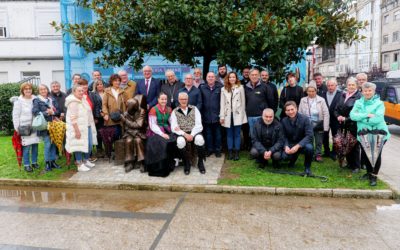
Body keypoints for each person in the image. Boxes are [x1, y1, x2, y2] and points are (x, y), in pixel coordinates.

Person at [350, 82, 390, 186]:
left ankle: (374, 176)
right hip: (363, 133)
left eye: (369, 91)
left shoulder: (379, 103)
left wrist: (362, 118)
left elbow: (378, 118)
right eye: (365, 91)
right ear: (362, 92)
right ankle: (368, 173)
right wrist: (367, 115)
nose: (367, 93)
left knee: (376, 154)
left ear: (373, 91)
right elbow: (353, 116)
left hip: (379, 132)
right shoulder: (358, 102)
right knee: (366, 153)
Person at [171, 92, 206, 175]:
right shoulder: (174, 111)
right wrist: (184, 134)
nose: (184, 101)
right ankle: (187, 162)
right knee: (180, 142)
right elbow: (174, 127)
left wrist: (192, 134)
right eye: (182, 99)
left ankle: (200, 162)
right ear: (179, 100)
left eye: (185, 99)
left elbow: (199, 125)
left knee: (200, 139)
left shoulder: (194, 109)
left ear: (188, 99)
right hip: (183, 133)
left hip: (194, 132)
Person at [65, 85, 97, 172]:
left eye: (82, 90)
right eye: (79, 91)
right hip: (78, 128)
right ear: (74, 92)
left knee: (89, 144)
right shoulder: (73, 102)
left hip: (87, 126)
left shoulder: (83, 100)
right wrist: (76, 131)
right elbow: (73, 118)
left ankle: (86, 160)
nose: (81, 92)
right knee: (78, 145)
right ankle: (79, 164)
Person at [334, 77, 362, 173]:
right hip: (343, 125)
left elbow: (358, 113)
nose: (351, 86)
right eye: (349, 84)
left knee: (354, 145)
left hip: (353, 125)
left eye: (353, 85)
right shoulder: (343, 95)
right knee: (346, 144)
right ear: (346, 86)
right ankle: (349, 164)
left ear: (356, 86)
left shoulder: (359, 97)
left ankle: (356, 166)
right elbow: (337, 108)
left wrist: (346, 119)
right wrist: (338, 116)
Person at [146, 92, 177, 176]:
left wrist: (175, 128)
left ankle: (170, 164)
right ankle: (159, 168)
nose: (164, 101)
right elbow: (152, 125)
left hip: (167, 129)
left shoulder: (169, 109)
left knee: (173, 140)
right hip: (155, 131)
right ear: (158, 100)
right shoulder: (154, 109)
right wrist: (162, 134)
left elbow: (171, 121)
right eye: (162, 99)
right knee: (161, 143)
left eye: (165, 99)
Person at [12, 82, 40, 172]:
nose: (28, 90)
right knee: (26, 147)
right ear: (22, 90)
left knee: (35, 145)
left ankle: (34, 162)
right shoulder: (18, 101)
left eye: (29, 88)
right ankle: (27, 164)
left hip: (35, 125)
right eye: (26, 89)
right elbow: (15, 116)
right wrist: (17, 129)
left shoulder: (35, 99)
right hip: (24, 127)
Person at [298, 82, 330, 162]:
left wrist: (326, 127)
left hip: (318, 123)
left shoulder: (321, 100)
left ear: (316, 91)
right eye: (309, 91)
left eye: (313, 91)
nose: (311, 93)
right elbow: (300, 113)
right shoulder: (303, 100)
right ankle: (311, 154)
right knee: (309, 140)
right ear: (307, 91)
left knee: (319, 141)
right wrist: (300, 124)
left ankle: (318, 154)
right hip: (307, 124)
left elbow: (326, 113)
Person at [32, 84, 60, 172]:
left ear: (47, 90)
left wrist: (53, 112)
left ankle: (53, 162)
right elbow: (35, 111)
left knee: (53, 143)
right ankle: (47, 163)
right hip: (44, 125)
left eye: (44, 89)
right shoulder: (36, 100)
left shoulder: (51, 99)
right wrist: (47, 112)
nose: (43, 91)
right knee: (48, 144)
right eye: (41, 90)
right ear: (39, 91)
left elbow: (58, 111)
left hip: (54, 124)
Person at [281, 101, 314, 176]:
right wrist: (286, 146)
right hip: (290, 143)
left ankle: (307, 167)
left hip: (302, 143)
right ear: (285, 112)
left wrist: (298, 146)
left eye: (292, 109)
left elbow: (309, 135)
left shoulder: (305, 119)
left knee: (309, 148)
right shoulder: (283, 121)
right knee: (284, 157)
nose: (290, 112)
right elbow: (283, 136)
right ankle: (293, 159)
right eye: (288, 110)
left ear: (296, 109)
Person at [220, 72, 247, 160]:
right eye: (230, 77)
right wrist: (222, 116)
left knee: (237, 134)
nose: (232, 79)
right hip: (227, 115)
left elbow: (243, 103)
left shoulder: (240, 88)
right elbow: (222, 104)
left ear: (236, 78)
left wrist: (243, 116)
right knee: (229, 134)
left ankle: (236, 153)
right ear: (227, 79)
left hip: (238, 114)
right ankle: (230, 152)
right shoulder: (223, 89)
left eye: (233, 77)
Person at [78, 79, 102, 161]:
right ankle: (80, 159)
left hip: (91, 119)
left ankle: (89, 156)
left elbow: (96, 106)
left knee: (91, 139)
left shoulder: (91, 94)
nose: (84, 86)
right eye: (82, 85)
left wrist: (96, 117)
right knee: (83, 140)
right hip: (81, 121)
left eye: (86, 84)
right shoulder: (78, 96)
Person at [245, 69, 274, 137]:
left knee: (262, 134)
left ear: (259, 76)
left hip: (261, 115)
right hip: (250, 116)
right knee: (252, 134)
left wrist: (269, 112)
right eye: (252, 75)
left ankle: (263, 147)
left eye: (256, 75)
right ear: (249, 76)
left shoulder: (265, 87)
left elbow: (271, 100)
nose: (254, 76)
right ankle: (254, 147)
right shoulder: (245, 87)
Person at [121, 95, 147, 173]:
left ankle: (142, 162)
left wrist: (125, 121)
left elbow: (139, 125)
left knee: (138, 141)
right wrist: (132, 130)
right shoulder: (126, 113)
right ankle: (130, 162)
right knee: (128, 141)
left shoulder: (141, 111)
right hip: (129, 133)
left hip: (140, 132)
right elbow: (125, 128)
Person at [200, 72, 223, 157]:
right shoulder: (202, 88)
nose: (210, 78)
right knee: (208, 134)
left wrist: (221, 115)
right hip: (206, 116)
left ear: (215, 78)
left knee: (218, 135)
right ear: (206, 78)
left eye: (212, 77)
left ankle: (218, 150)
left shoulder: (220, 87)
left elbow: (223, 102)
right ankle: (209, 149)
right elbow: (201, 102)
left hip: (217, 116)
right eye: (209, 77)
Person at [321, 78, 342, 160]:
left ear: (336, 86)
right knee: (324, 135)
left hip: (335, 119)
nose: (330, 87)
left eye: (332, 85)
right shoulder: (323, 94)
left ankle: (334, 152)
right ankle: (326, 151)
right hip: (325, 118)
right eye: (328, 85)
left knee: (335, 136)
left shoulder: (341, 94)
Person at [102, 74, 125, 144]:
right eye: (115, 81)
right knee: (113, 135)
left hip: (120, 117)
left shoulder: (122, 91)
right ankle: (111, 152)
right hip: (110, 117)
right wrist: (105, 114)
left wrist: (125, 114)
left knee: (120, 135)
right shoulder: (107, 91)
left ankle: (118, 152)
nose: (117, 82)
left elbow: (125, 104)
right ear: (111, 81)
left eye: (119, 81)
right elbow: (104, 104)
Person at [92, 79, 106, 157]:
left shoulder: (107, 93)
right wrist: (97, 116)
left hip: (107, 117)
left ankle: (108, 149)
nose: (100, 86)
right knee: (99, 134)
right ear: (95, 86)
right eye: (98, 84)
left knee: (106, 133)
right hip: (99, 118)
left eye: (101, 84)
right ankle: (99, 149)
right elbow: (94, 107)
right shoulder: (93, 94)